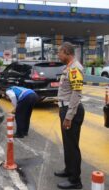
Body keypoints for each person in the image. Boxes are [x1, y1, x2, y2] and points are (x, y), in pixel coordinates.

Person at [54, 42, 84, 189]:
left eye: (59, 53)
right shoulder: (68, 67)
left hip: (71, 110)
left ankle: (75, 180)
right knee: (67, 143)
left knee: (72, 145)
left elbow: (76, 93)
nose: (58, 56)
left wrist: (69, 116)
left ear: (66, 52)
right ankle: (69, 170)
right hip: (65, 109)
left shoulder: (75, 68)